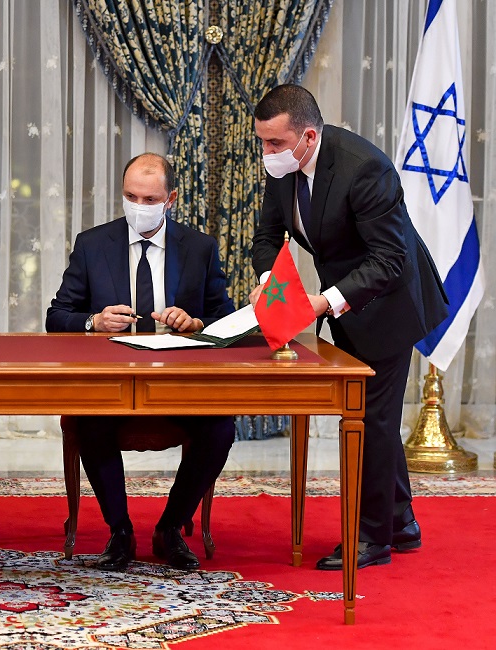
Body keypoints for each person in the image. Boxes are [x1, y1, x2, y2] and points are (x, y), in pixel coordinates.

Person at [250, 84, 448, 570]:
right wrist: (266, 285)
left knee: (370, 420)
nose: (266, 154)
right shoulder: (284, 169)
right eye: (261, 143)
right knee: (370, 415)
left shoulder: (366, 169)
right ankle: (400, 521)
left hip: (390, 301)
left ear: (309, 136)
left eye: (275, 144)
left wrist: (320, 302)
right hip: (343, 300)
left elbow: (389, 259)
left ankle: (372, 538)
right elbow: (266, 236)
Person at [46, 153, 236, 571]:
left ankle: (170, 527)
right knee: (89, 422)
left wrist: (197, 321)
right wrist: (93, 321)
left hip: (181, 383)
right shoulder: (93, 244)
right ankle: (120, 531)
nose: (139, 205)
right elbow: (56, 316)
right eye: (130, 196)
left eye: (149, 198)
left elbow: (227, 317)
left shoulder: (200, 248)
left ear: (171, 199)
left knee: (221, 427)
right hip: (110, 382)